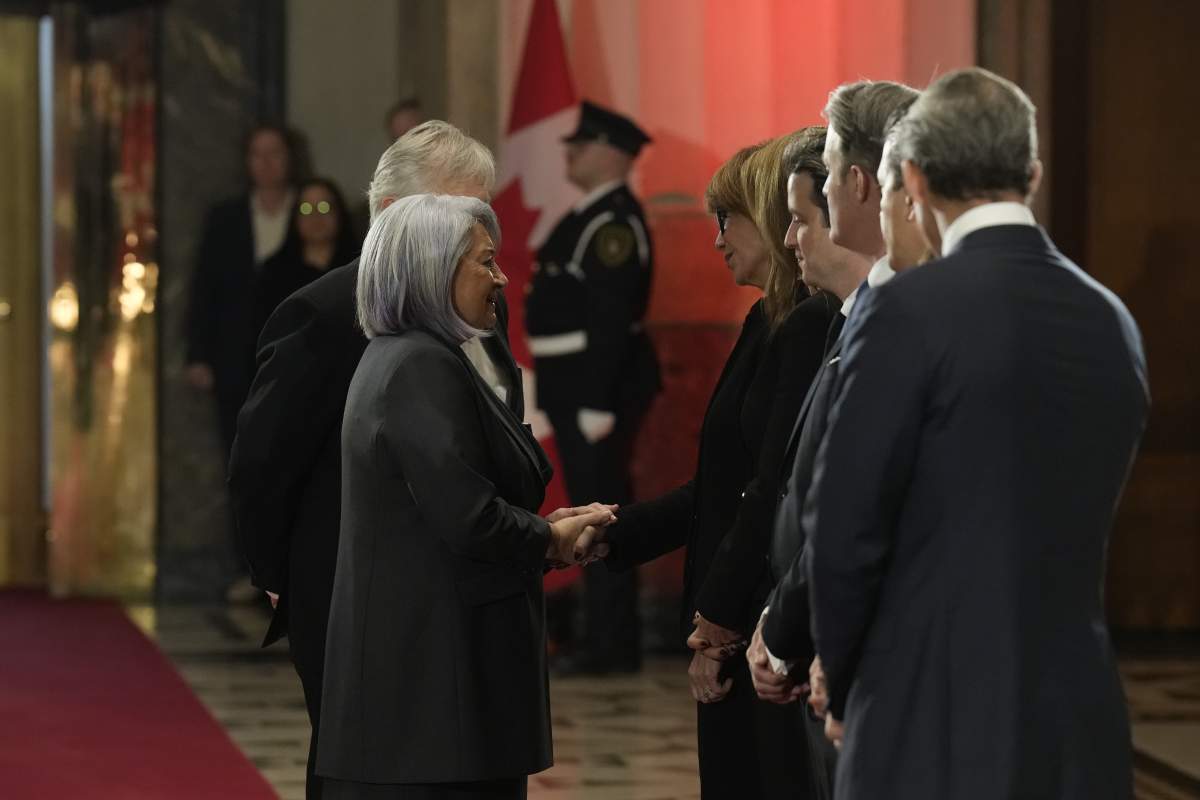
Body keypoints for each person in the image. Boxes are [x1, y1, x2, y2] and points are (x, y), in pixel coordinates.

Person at [806, 67, 1147, 798]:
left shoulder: (909, 313)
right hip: (1077, 718)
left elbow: (842, 531)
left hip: (927, 715)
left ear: (917, 181)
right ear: (1033, 173)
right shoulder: (1110, 318)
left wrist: (843, 680)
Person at [228, 121, 514, 800]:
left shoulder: (480, 298)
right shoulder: (324, 313)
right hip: (351, 593)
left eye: (482, 217)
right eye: (454, 215)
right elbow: (262, 464)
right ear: (389, 214)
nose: (475, 238)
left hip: (466, 591)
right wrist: (283, 578)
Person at [317, 193, 615, 799]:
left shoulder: (408, 357)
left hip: (431, 690)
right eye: (485, 261)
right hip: (437, 694)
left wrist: (546, 529)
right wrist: (550, 538)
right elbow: (468, 518)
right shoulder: (420, 366)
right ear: (434, 269)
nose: (502, 277)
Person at [588, 130, 838, 798]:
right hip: (738, 620)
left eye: (726, 220)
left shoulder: (810, 326)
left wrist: (720, 623)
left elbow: (775, 487)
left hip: (761, 630)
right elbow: (721, 484)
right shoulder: (767, 322)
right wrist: (617, 530)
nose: (718, 238)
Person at [745, 80, 918, 800]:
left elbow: (859, 506)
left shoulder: (905, 318)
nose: (790, 239)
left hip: (877, 656)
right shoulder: (867, 312)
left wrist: (804, 638)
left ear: (855, 180)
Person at [526, 100, 660, 674]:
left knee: (602, 516)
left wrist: (596, 402)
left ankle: (611, 643)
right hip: (573, 387)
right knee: (591, 510)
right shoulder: (585, 219)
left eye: (582, 145)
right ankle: (599, 637)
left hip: (595, 391)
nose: (572, 153)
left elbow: (611, 318)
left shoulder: (612, 226)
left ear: (611, 153)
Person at [185, 123, 299, 599]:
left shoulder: (311, 207)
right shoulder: (226, 217)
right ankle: (250, 568)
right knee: (242, 464)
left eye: (275, 154)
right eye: (258, 154)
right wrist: (198, 354)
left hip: (295, 361)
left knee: (294, 461)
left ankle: (294, 565)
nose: (267, 163)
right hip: (236, 362)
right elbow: (203, 290)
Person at [253, 177, 358, 339]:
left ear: (339, 213)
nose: (315, 216)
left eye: (324, 207)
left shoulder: (360, 269)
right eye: (306, 209)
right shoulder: (274, 273)